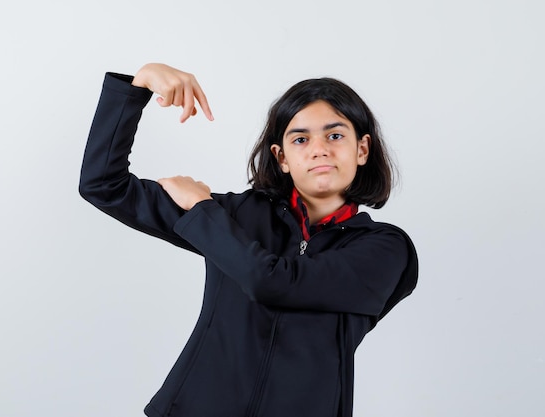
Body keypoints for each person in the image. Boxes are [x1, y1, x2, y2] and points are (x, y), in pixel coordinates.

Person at [79, 63, 418, 417]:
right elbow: (103, 185)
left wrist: (202, 210)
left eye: (335, 136)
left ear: (362, 149)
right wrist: (141, 84)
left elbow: (272, 282)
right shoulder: (236, 216)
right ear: (281, 157)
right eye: (300, 139)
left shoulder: (386, 250)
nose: (319, 149)